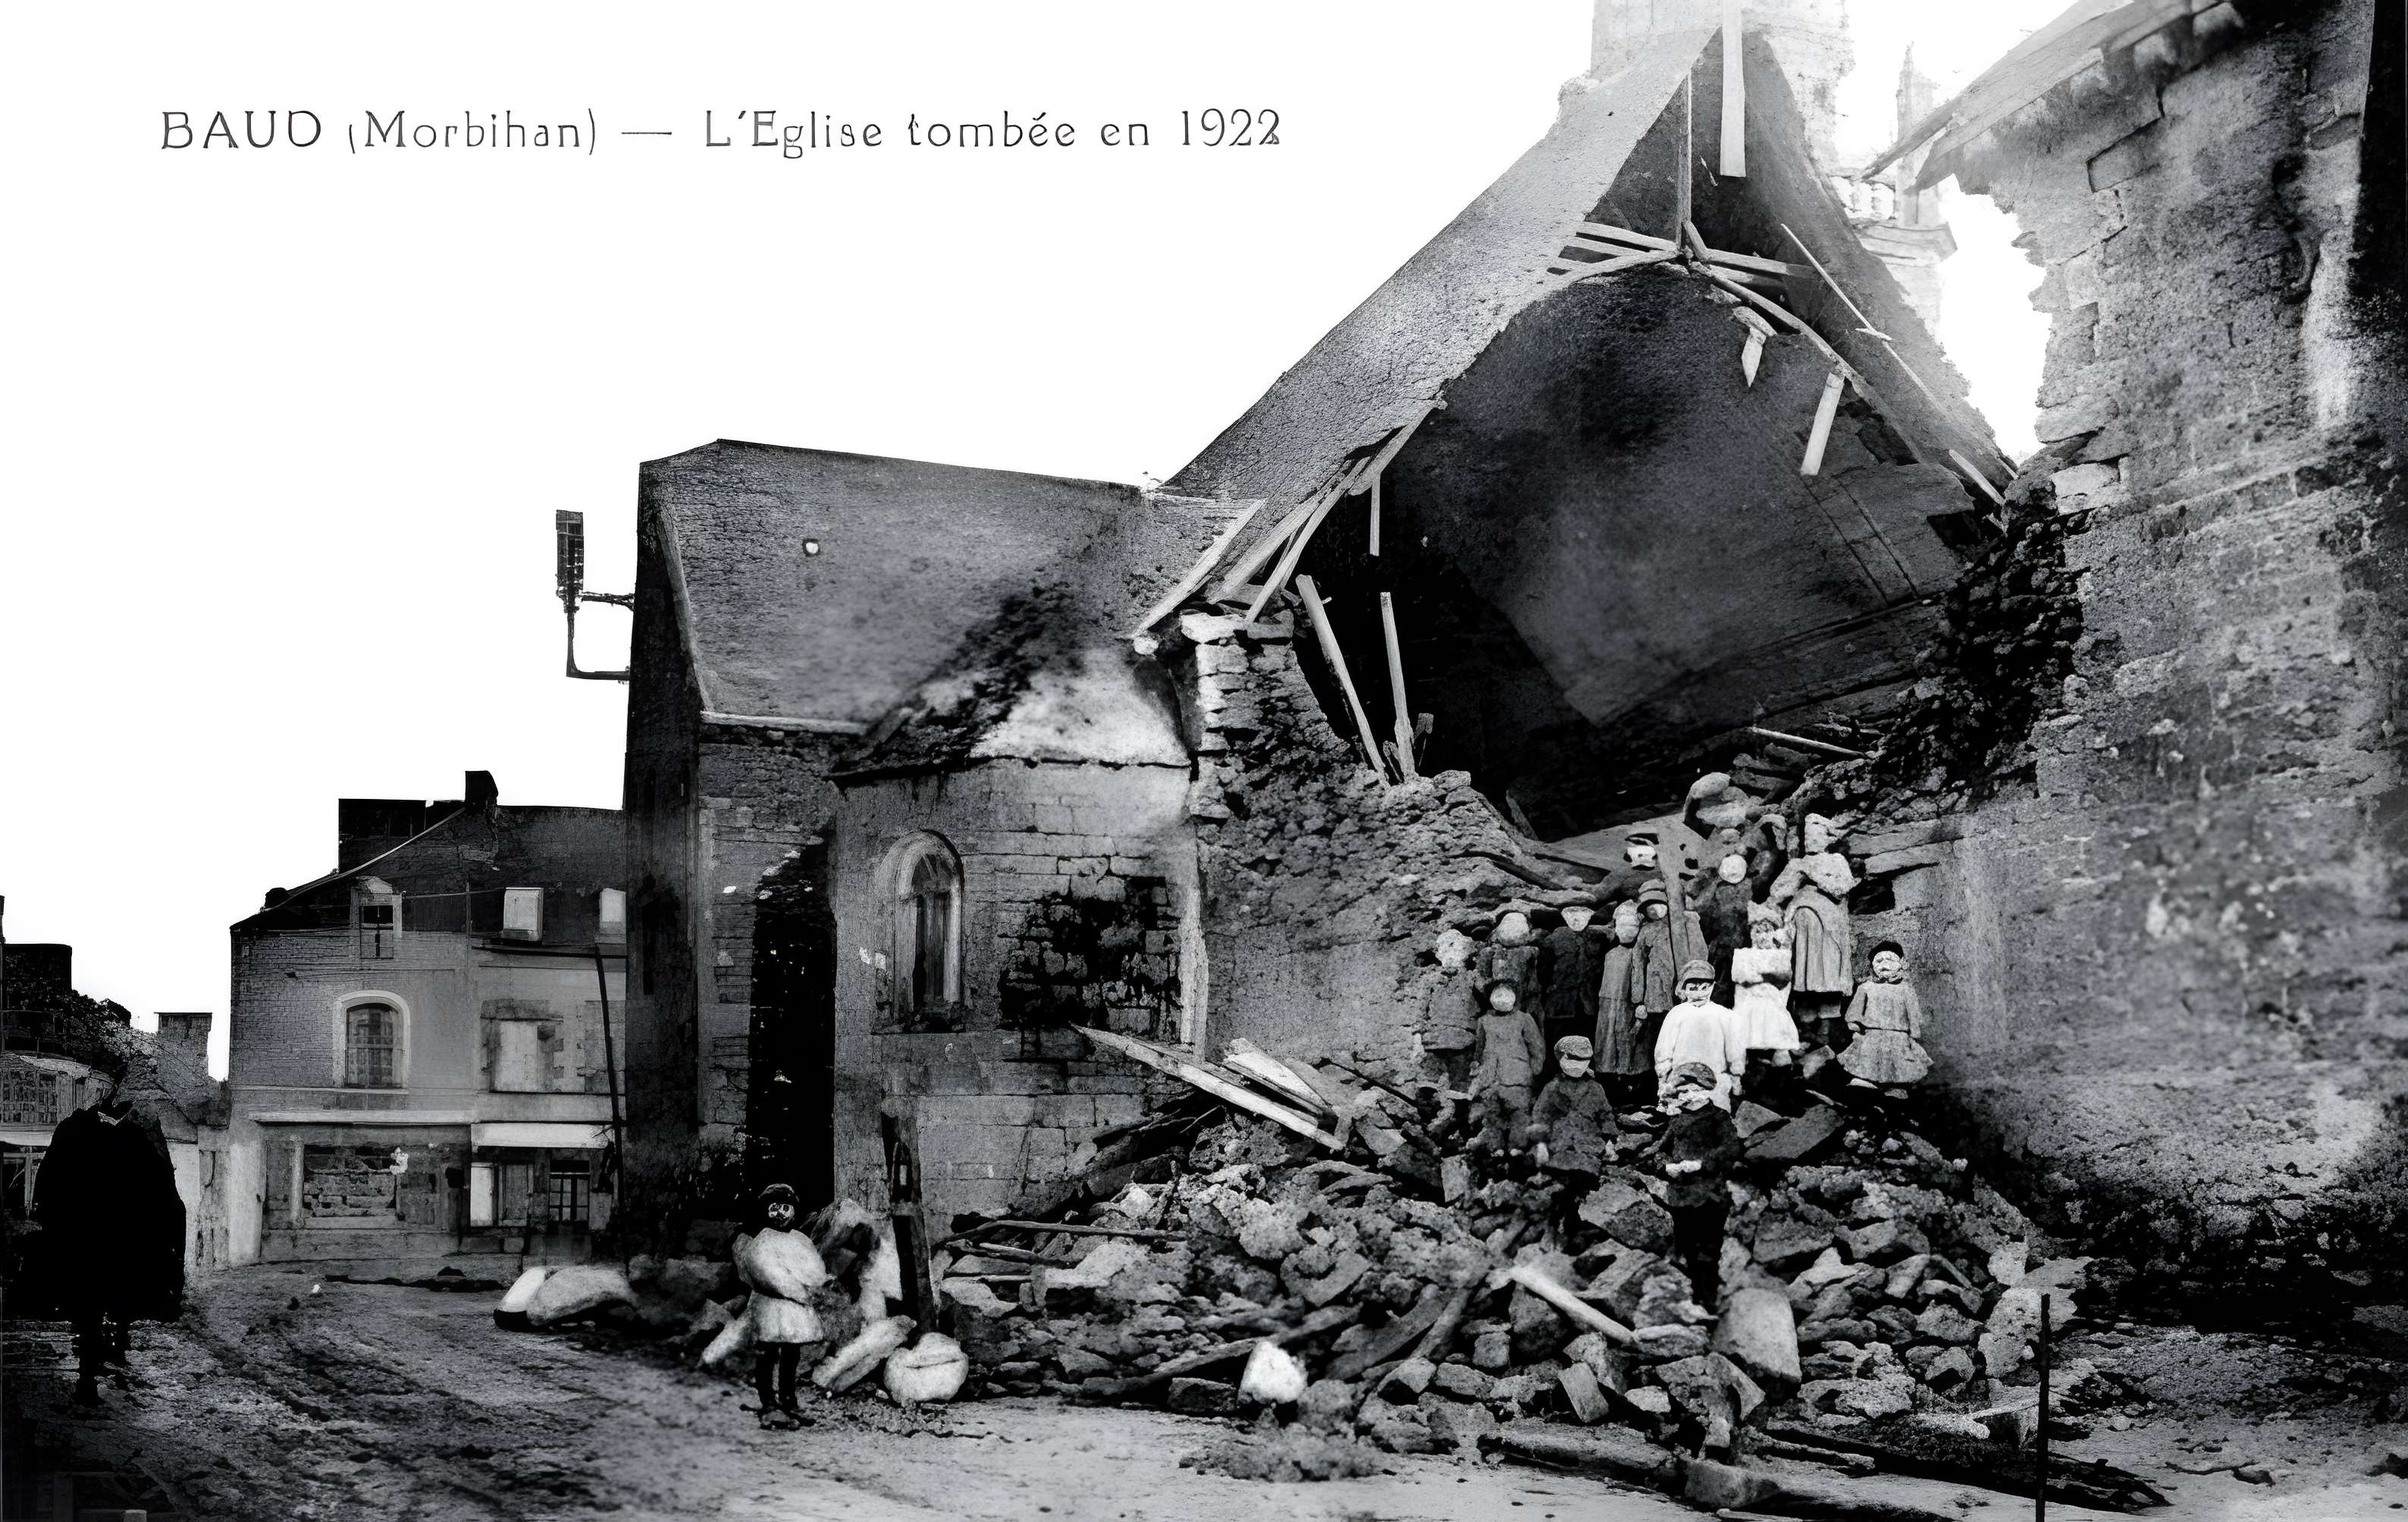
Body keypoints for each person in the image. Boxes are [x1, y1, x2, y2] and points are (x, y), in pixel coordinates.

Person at [32, 1054, 185, 1409]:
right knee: (100, 1299)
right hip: (101, 1238)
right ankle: (98, 1363)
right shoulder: (107, 1132)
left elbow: (163, 1189)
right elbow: (164, 1190)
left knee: (99, 1300)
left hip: (104, 1238)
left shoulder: (110, 1131)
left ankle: (102, 1359)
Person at [733, 1182, 830, 1427]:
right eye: (774, 1207)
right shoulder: (762, 1242)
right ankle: (768, 1404)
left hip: (794, 1312)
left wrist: (813, 1284)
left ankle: (789, 1401)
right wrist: (800, 1290)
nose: (780, 1213)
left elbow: (815, 1269)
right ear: (766, 1210)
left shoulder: (801, 1240)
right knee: (766, 1354)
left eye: (785, 1208)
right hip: (769, 1308)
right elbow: (771, 1277)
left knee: (791, 1354)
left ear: (794, 1210)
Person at [1657, 1062, 1745, 1310]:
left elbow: (1731, 1149)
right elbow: (1659, 1151)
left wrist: (1701, 1164)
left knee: (1708, 1250)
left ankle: (1708, 1300)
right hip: (1680, 1195)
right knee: (1685, 1249)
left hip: (1710, 1195)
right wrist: (1666, 1167)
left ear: (1707, 1091)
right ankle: (1687, 1300)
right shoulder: (1677, 1120)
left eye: (1694, 1090)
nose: (1689, 1096)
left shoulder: (1719, 1117)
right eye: (1684, 1091)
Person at [1521, 1035, 1619, 1238]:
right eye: (1573, 1059)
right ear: (1561, 1059)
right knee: (1559, 1184)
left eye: (1583, 1060)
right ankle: (1557, 1221)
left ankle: (1579, 1222)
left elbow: (1606, 1115)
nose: (1577, 1065)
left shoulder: (1595, 1089)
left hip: (1588, 1146)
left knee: (1584, 1181)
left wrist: (1610, 1142)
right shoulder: (1552, 1088)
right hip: (1559, 1146)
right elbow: (1540, 1116)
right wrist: (1541, 1145)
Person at [1840, 941, 1931, 1094]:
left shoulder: (1906, 990)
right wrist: (1854, 1026)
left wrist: (1914, 1032)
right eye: (1879, 960)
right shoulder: (1866, 988)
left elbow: (1914, 1014)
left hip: (1898, 1037)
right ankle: (1866, 1086)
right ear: (1872, 965)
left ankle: (1896, 1090)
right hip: (1872, 1035)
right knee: (1868, 1062)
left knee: (1898, 1066)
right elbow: (1855, 1011)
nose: (1884, 964)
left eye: (1890, 959)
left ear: (1901, 964)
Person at [1466, 982, 1546, 1155]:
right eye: (1498, 994)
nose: (1502, 998)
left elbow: (1537, 1047)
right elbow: (1479, 1048)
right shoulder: (1484, 1021)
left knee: (1519, 1114)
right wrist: (1477, 1068)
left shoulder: (1524, 1019)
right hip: (1491, 1078)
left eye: (1506, 993)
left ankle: (1516, 1149)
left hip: (1517, 1077)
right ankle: (1495, 1149)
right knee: (1492, 1114)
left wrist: (1534, 1071)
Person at [1653, 960, 1744, 1109]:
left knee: (1715, 1110)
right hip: (1681, 1079)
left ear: (1712, 986)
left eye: (1704, 988)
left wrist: (1736, 1077)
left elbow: (1734, 1050)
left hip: (1716, 1078)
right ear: (1684, 988)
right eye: (1693, 988)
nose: (1699, 993)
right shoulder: (1677, 1013)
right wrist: (1663, 1079)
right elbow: (1664, 1049)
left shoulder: (1724, 1015)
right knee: (1682, 1109)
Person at [1591, 902, 1651, 1107]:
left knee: (1632, 1048)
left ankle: (1633, 1094)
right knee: (1608, 1048)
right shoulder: (1609, 954)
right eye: (1622, 925)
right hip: (1608, 1010)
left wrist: (1642, 1007)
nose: (1627, 931)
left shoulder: (1643, 954)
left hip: (1631, 1009)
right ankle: (1611, 1093)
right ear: (1615, 927)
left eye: (1632, 926)